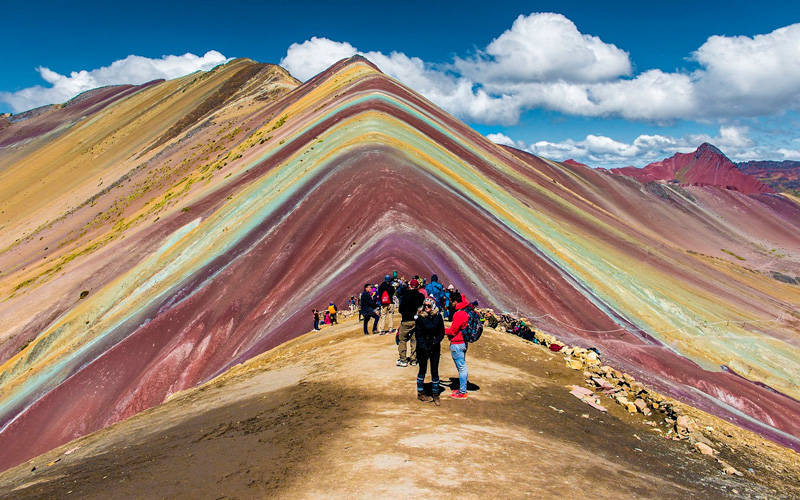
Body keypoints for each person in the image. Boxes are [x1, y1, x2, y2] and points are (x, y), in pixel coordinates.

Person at [414, 297, 445, 405]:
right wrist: (424, 346)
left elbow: (442, 332)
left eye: (429, 306)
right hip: (423, 347)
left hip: (435, 346)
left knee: (434, 370)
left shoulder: (438, 317)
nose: (426, 307)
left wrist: (436, 341)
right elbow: (418, 334)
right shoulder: (420, 318)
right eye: (425, 305)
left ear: (433, 306)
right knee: (422, 369)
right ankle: (421, 392)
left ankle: (435, 394)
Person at [445, 294, 471, 399]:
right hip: (463, 342)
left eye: (451, 301)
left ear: (456, 301)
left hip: (457, 343)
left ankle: (462, 392)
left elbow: (453, 331)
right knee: (462, 366)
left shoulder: (459, 314)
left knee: (461, 368)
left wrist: (442, 330)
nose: (451, 303)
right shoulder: (466, 311)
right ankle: (462, 389)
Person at [396, 278, 424, 367]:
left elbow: (400, 309)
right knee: (414, 340)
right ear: (417, 286)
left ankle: (403, 360)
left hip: (405, 321)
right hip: (416, 321)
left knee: (402, 340)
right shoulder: (420, 296)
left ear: (410, 286)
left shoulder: (405, 296)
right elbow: (421, 308)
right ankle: (413, 360)